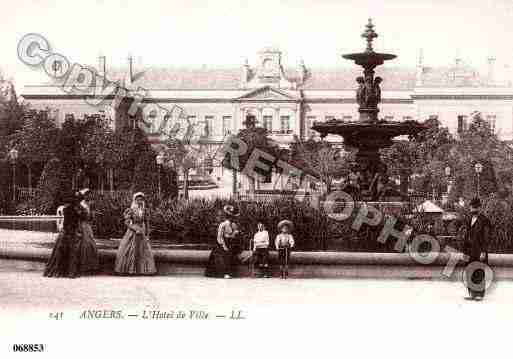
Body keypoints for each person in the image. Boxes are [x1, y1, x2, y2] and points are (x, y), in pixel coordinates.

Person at [114, 192, 157, 275]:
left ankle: (141, 270)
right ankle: (130, 269)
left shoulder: (145, 210)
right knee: (130, 250)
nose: (140, 201)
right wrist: (134, 229)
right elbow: (126, 222)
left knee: (143, 250)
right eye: (138, 200)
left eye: (141, 200)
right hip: (132, 231)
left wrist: (147, 234)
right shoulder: (131, 210)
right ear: (135, 200)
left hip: (141, 231)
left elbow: (147, 223)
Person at [44, 191, 82, 278]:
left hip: (66, 231)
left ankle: (60, 272)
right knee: (72, 253)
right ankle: (70, 272)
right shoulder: (75, 210)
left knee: (62, 253)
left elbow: (67, 222)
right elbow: (75, 221)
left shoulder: (66, 209)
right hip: (71, 232)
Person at [462, 197, 491, 301]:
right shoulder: (468, 219)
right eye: (472, 207)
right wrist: (464, 251)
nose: (473, 209)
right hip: (469, 250)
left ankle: (479, 294)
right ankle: (472, 294)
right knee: (469, 271)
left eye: (475, 207)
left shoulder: (485, 220)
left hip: (479, 250)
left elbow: (486, 237)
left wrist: (483, 251)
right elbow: (465, 236)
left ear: (480, 208)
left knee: (478, 271)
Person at [205, 205, 240, 279]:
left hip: (231, 243)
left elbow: (233, 236)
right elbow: (219, 237)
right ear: (227, 216)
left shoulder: (234, 225)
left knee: (231, 254)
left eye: (233, 216)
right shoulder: (223, 224)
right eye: (230, 216)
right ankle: (224, 273)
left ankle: (230, 272)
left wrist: (235, 234)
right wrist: (223, 245)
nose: (232, 218)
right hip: (222, 243)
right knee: (223, 255)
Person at [75, 188, 100, 274]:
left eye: (89, 194)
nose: (88, 196)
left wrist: (93, 214)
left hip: (88, 226)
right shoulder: (80, 205)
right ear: (83, 196)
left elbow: (91, 218)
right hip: (81, 225)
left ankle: (90, 265)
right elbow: (79, 217)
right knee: (83, 244)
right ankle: (82, 265)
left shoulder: (90, 204)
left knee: (91, 243)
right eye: (86, 194)